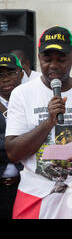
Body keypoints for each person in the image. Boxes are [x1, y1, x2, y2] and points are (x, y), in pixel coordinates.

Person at [5, 26, 72, 219]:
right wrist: (48, 122)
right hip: (36, 196)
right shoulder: (22, 94)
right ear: (38, 58)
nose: (53, 65)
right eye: (47, 59)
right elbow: (13, 152)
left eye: (61, 59)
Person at [0, 54, 24, 219]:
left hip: (26, 186)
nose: (6, 79)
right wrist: (20, 145)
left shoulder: (31, 101)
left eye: (11, 73)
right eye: (0, 75)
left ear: (21, 73)